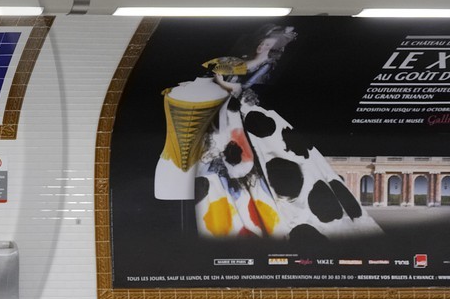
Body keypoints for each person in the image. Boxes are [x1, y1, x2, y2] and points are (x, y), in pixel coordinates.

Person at [154, 24, 379, 240]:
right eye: (268, 45)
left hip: (229, 129)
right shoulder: (229, 69)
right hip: (215, 136)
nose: (270, 51)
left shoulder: (259, 73)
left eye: (275, 48)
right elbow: (227, 74)